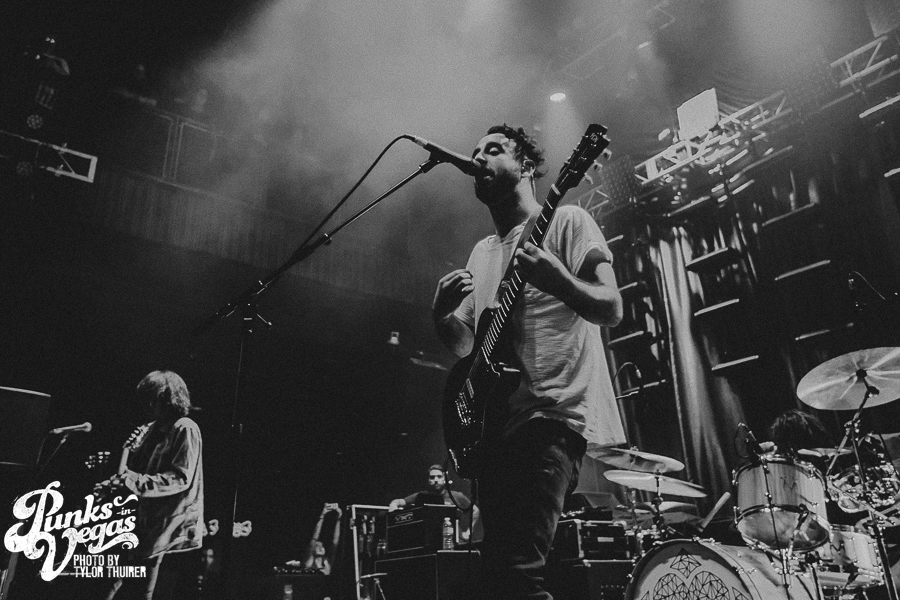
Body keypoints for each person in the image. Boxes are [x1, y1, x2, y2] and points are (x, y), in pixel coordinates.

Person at [431, 124, 625, 599]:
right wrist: (441, 317)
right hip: (495, 427)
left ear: (527, 167)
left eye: (494, 149)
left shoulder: (568, 221)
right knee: (500, 579)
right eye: (476, 150)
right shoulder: (482, 253)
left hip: (550, 420)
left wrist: (559, 280)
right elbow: (466, 346)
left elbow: (611, 307)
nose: (479, 157)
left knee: (517, 575)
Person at [96, 370, 204, 600]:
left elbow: (180, 478)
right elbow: (138, 473)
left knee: (139, 592)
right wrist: (113, 484)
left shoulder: (185, 427)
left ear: (168, 399)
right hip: (142, 525)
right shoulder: (150, 429)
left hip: (166, 529)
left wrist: (132, 480)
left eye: (152, 399)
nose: (147, 405)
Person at [388, 465, 480, 543]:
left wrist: (468, 533)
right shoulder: (421, 496)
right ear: (428, 480)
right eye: (432, 477)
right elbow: (399, 502)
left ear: (444, 478)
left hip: (453, 540)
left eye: (439, 476)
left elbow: (475, 510)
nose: (436, 480)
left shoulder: (456, 496)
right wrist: (393, 505)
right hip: (428, 540)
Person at [285, 503, 342, 575]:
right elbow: (314, 538)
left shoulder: (327, 563)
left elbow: (335, 541)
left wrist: (339, 519)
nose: (321, 547)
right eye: (317, 545)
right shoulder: (309, 563)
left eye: (322, 546)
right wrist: (322, 516)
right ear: (312, 550)